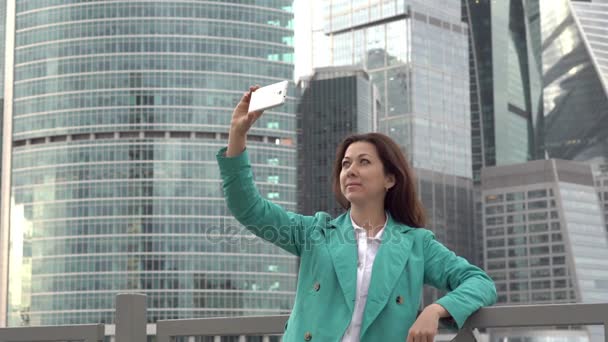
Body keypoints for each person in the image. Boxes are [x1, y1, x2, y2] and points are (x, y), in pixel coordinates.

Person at [216, 86, 497, 342]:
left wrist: (436, 310)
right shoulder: (315, 232)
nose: (350, 170)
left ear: (390, 179)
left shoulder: (416, 244)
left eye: (364, 162)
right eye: (346, 164)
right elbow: (249, 208)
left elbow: (480, 282)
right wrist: (237, 133)